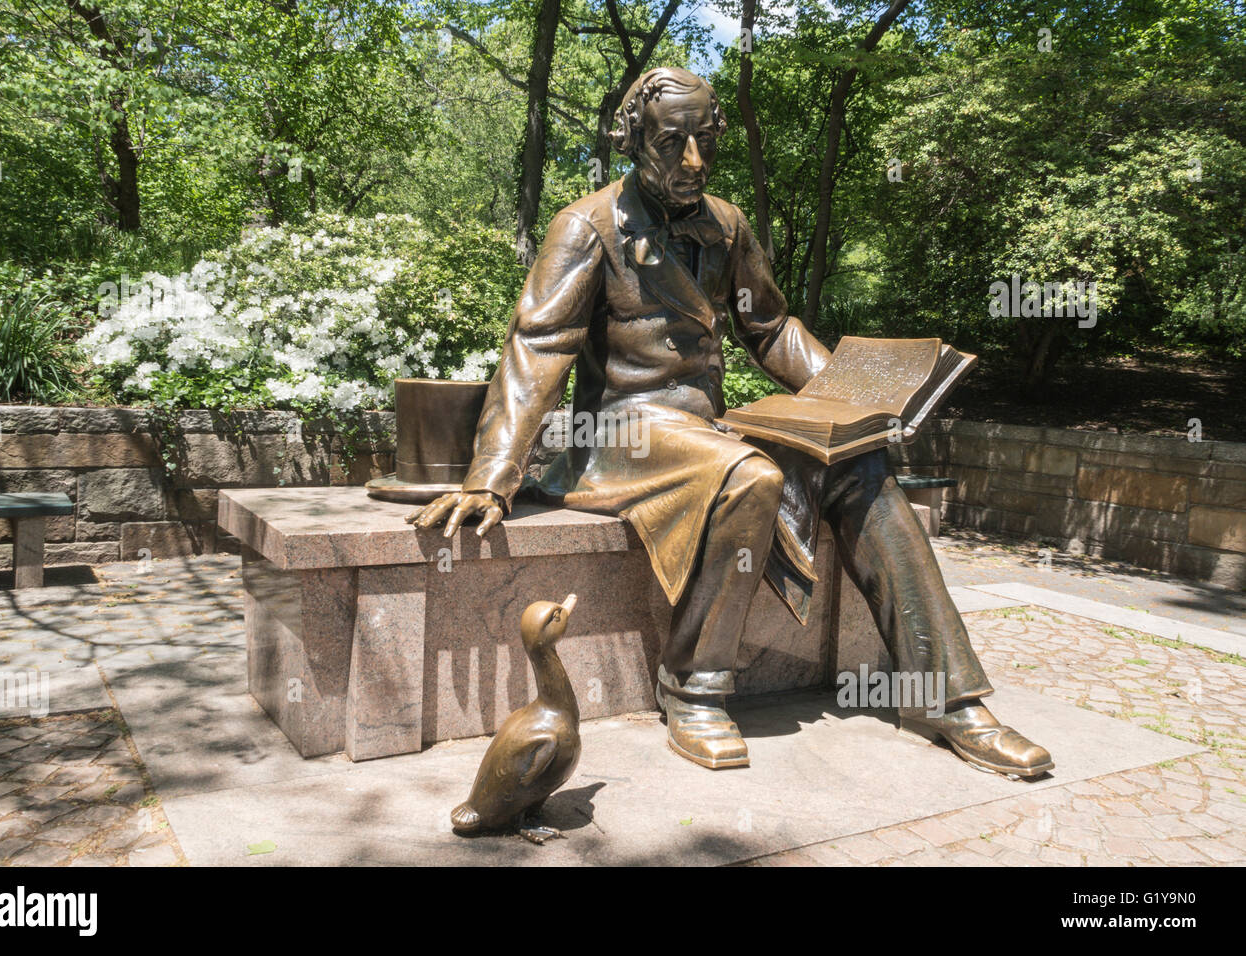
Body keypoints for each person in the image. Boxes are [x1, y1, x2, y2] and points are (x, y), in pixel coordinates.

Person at [408, 67, 1052, 779]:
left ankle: (945, 697)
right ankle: (694, 687)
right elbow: (537, 348)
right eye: (672, 143)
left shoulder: (727, 222)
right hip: (620, 436)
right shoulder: (586, 226)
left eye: (706, 143)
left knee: (861, 466)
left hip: (699, 432)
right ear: (629, 140)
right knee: (748, 477)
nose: (694, 162)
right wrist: (492, 475)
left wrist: (859, 397)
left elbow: (771, 328)